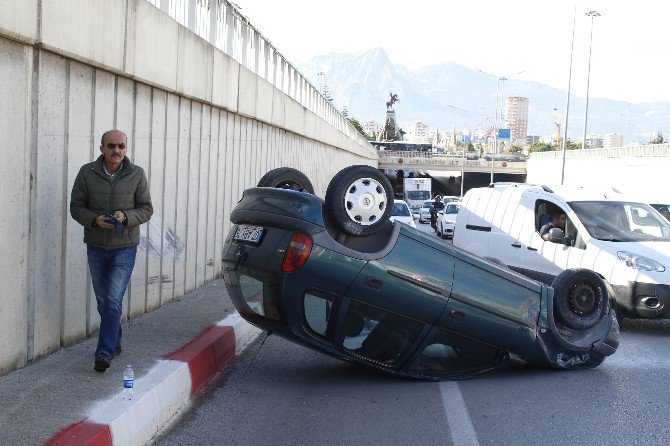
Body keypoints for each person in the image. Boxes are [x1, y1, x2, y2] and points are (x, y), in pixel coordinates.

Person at [70, 130, 153, 372]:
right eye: (111, 146)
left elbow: (146, 209)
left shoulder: (136, 174)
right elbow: (76, 207)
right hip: (96, 246)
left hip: (124, 247)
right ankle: (115, 341)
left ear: (126, 149)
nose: (116, 150)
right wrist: (94, 219)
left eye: (121, 146)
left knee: (114, 299)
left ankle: (104, 351)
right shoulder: (87, 172)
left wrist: (126, 217)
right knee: (103, 300)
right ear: (102, 148)